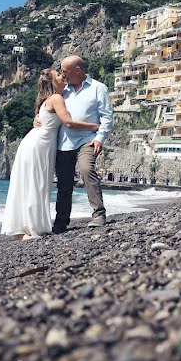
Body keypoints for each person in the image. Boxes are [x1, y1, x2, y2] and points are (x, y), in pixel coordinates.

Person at [1, 69, 100, 240]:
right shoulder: (56, 98)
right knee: (36, 185)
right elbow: (68, 122)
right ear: (54, 82)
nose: (63, 76)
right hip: (39, 145)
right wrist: (94, 126)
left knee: (30, 185)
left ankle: (23, 230)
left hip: (37, 143)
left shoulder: (48, 99)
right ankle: (28, 230)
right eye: (59, 75)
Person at [50, 55, 113, 232]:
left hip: (87, 139)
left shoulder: (98, 88)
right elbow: (47, 105)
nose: (63, 75)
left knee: (86, 170)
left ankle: (99, 214)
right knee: (64, 182)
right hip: (63, 142)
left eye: (65, 71)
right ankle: (61, 221)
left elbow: (107, 117)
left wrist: (99, 138)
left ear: (77, 70)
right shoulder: (62, 90)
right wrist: (37, 118)